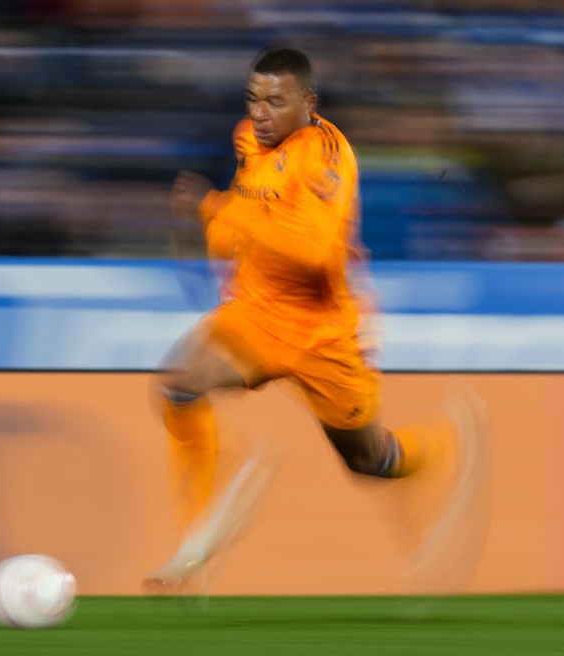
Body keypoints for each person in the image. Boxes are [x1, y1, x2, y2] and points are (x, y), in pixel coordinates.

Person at [143, 47, 486, 594]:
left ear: (308, 102)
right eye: (253, 99)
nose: (260, 112)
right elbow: (248, 217)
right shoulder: (247, 141)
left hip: (323, 332)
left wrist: (216, 209)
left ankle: (441, 448)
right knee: (181, 388)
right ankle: (198, 543)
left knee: (369, 460)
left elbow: (312, 249)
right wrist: (213, 227)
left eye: (275, 101)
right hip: (257, 313)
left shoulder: (327, 155)